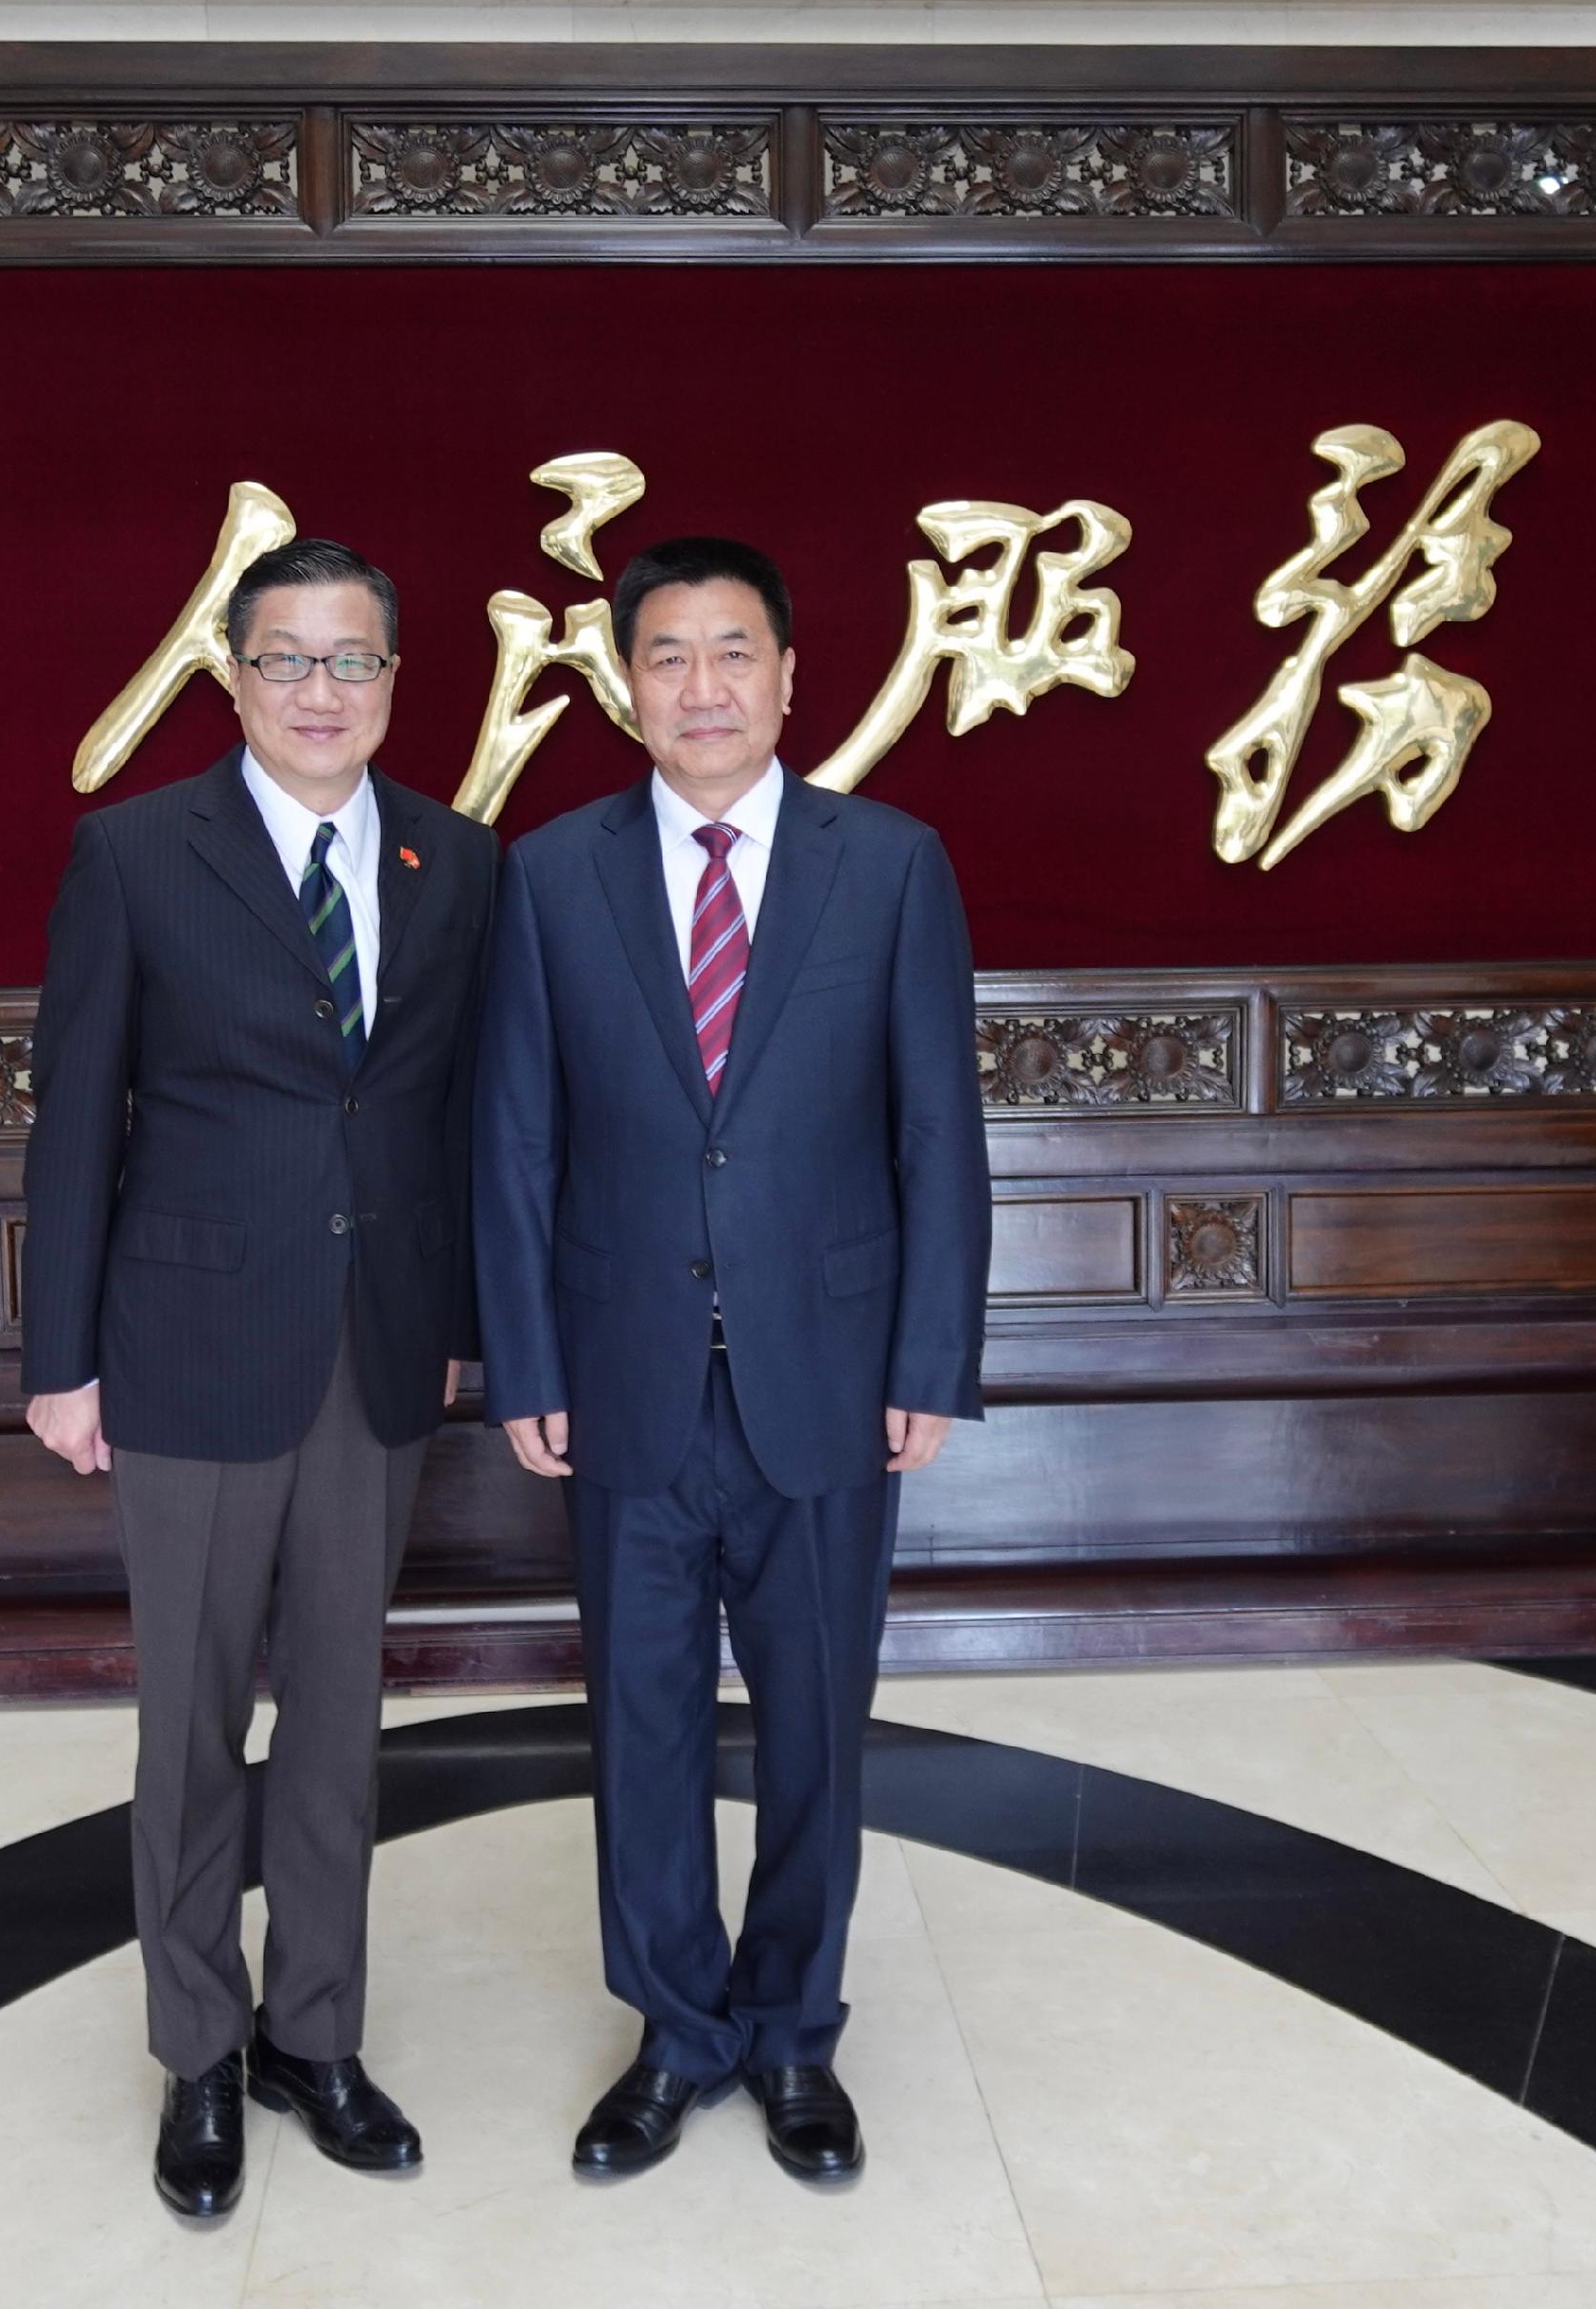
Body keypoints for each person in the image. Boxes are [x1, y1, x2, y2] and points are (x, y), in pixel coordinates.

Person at [472, 534, 990, 2186]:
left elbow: (938, 1137)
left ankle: (792, 2036)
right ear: (628, 688)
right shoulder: (549, 874)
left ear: (788, 675)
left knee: (820, 1722)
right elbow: (517, 1143)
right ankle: (677, 2033)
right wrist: (526, 1362)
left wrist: (930, 1357)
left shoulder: (890, 863)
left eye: (734, 652)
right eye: (670, 657)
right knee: (640, 1726)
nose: (704, 686)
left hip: (829, 1379)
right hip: (623, 1375)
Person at [20, 537, 498, 2220]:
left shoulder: (457, 856)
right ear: (231, 678)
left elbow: (448, 1117)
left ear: (391, 681)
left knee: (341, 1723)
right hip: (189, 1345)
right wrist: (59, 1356)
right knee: (193, 1725)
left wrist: (464, 1317)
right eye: (285, 659)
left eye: (351, 661)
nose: (319, 690)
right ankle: (197, 2054)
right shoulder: (140, 852)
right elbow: (77, 1112)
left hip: (377, 1352)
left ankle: (318, 2035)